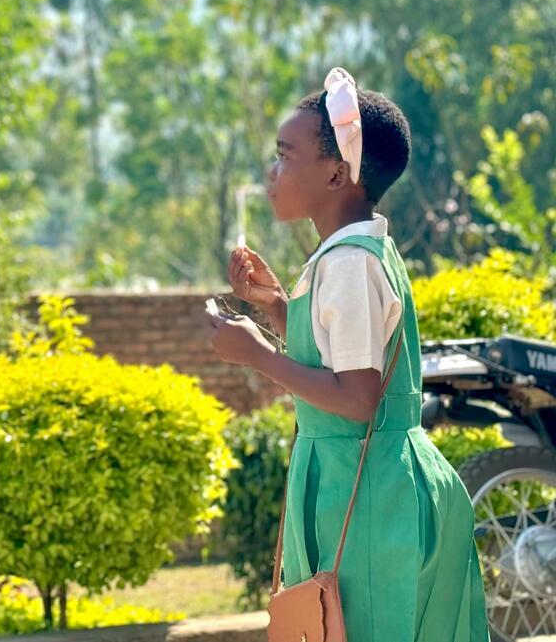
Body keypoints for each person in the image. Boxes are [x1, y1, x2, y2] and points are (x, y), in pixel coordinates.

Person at [207, 69, 488, 641]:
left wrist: (258, 354)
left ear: (337, 173)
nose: (273, 173)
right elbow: (343, 363)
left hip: (370, 494)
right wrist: (280, 308)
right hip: (362, 481)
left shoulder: (349, 263)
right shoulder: (350, 252)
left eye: (286, 157)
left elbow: (358, 399)